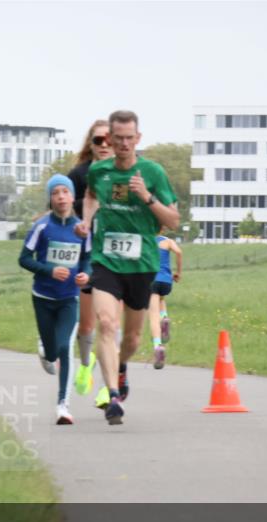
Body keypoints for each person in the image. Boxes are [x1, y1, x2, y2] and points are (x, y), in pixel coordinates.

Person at [79, 110, 179, 425]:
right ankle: (112, 396)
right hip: (106, 261)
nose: (123, 144)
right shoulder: (99, 171)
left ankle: (121, 367)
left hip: (142, 263)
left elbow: (173, 221)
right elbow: (90, 196)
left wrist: (146, 197)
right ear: (110, 139)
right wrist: (87, 221)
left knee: (133, 338)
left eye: (129, 138)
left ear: (138, 138)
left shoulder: (153, 172)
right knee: (107, 324)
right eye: (118, 138)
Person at [19, 175, 92, 425]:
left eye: (65, 192)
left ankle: (63, 405)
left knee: (64, 348)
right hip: (42, 297)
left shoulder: (81, 229)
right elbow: (24, 258)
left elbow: (87, 259)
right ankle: (44, 348)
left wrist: (85, 275)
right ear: (50, 199)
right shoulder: (41, 227)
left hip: (69, 298)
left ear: (72, 196)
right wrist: (49, 270)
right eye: (55, 193)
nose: (61, 197)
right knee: (51, 354)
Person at [68, 119, 114, 397]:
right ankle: (86, 363)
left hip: (116, 257)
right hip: (87, 255)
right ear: (91, 143)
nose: (105, 144)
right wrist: (88, 206)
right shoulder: (79, 174)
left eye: (110, 139)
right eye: (99, 140)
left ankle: (111, 389)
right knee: (87, 325)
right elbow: (59, 207)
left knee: (109, 323)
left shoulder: (128, 173)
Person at [149, 232, 182, 369]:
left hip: (152, 280)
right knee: (161, 297)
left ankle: (158, 346)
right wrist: (178, 273)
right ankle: (164, 317)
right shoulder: (168, 241)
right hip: (166, 282)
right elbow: (179, 252)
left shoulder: (147, 241)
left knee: (153, 316)